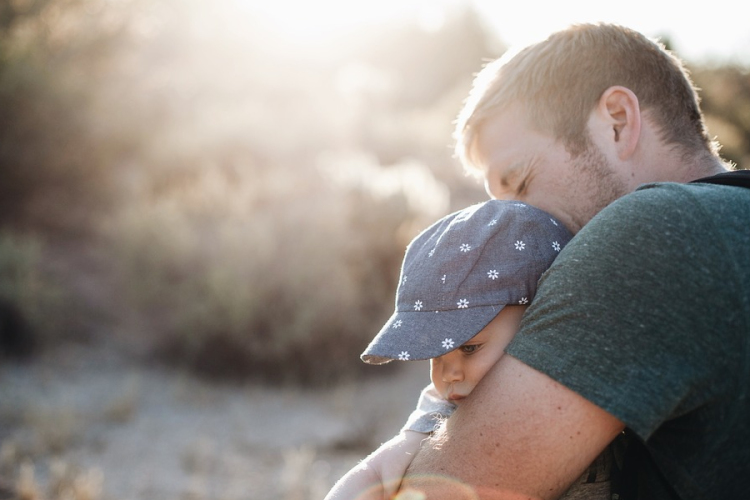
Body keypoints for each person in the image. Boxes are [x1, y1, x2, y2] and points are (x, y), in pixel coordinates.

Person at [392, 22, 750, 500]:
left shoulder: (649, 232)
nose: (512, 224)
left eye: (519, 184)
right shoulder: (731, 220)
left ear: (618, 120)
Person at [325, 200, 622, 500]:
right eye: (437, 354)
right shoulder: (445, 409)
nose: (448, 375)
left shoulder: (595, 371)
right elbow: (375, 473)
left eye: (469, 347)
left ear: (538, 319)